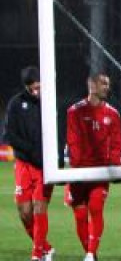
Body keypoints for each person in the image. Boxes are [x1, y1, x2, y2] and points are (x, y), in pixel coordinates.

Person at [65, 72, 121, 261]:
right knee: (80, 214)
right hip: (79, 172)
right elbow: (72, 139)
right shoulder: (75, 111)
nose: (107, 87)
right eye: (103, 83)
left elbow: (117, 142)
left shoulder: (113, 113)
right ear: (91, 85)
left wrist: (114, 163)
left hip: (100, 171)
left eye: (108, 84)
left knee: (96, 208)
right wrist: (76, 167)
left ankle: (90, 254)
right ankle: (91, 253)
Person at [4, 66, 56, 261]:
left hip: (44, 166)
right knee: (25, 213)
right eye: (32, 89)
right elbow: (9, 135)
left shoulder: (50, 102)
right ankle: (46, 248)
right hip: (24, 163)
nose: (36, 92)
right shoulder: (16, 104)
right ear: (26, 87)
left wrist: (55, 159)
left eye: (38, 87)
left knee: (39, 207)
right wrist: (30, 150)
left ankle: (37, 255)